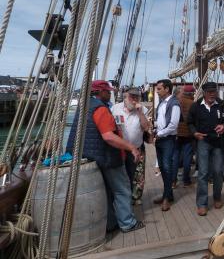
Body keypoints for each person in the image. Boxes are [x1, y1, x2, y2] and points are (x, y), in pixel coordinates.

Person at [66, 80, 144, 233]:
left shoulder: (84, 106)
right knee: (122, 190)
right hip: (107, 157)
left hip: (91, 156)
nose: (110, 94)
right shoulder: (101, 109)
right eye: (107, 91)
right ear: (100, 92)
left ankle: (110, 223)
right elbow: (108, 136)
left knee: (107, 191)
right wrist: (131, 147)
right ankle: (128, 223)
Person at [187, 82, 224, 216]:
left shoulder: (222, 105)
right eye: (210, 92)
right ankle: (202, 204)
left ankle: (217, 197)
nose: (212, 94)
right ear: (204, 93)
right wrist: (195, 133)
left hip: (218, 142)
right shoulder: (196, 107)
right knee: (203, 173)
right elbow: (189, 122)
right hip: (203, 142)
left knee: (218, 171)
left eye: (214, 91)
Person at [111, 87, 150, 204]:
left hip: (137, 147)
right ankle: (123, 197)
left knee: (138, 174)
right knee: (123, 174)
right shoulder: (115, 108)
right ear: (125, 97)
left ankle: (136, 198)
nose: (134, 100)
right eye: (131, 97)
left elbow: (146, 127)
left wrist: (140, 113)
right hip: (120, 149)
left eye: (136, 97)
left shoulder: (142, 109)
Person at [153, 79, 180, 211]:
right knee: (163, 168)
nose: (157, 91)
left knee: (167, 168)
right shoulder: (161, 104)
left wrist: (160, 133)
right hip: (160, 138)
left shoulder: (174, 104)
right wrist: (154, 130)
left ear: (167, 89)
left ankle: (166, 198)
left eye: (159, 89)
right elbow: (160, 121)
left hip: (168, 139)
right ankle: (168, 195)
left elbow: (173, 125)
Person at [173, 85, 195, 188]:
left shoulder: (176, 102)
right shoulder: (193, 104)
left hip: (176, 133)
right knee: (187, 157)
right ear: (191, 94)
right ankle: (186, 180)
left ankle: (173, 181)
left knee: (175, 156)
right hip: (188, 133)